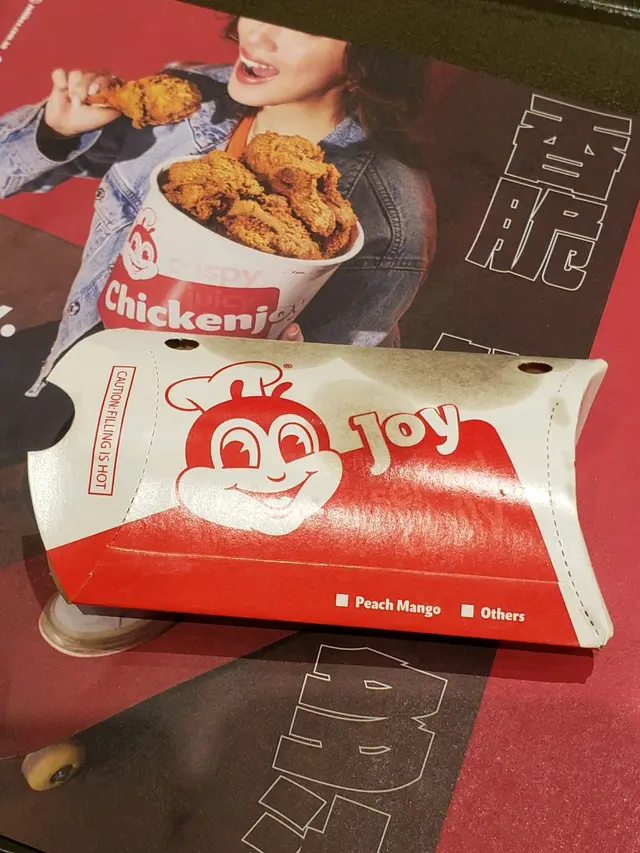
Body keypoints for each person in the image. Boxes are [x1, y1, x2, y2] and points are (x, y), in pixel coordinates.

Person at [0, 17, 436, 656]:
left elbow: (342, 379)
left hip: (199, 419)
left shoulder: (388, 207)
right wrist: (57, 129)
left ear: (368, 53)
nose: (259, 37)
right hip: (90, 344)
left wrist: (289, 363)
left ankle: (165, 550)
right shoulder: (185, 101)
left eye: (305, 23)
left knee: (90, 590)